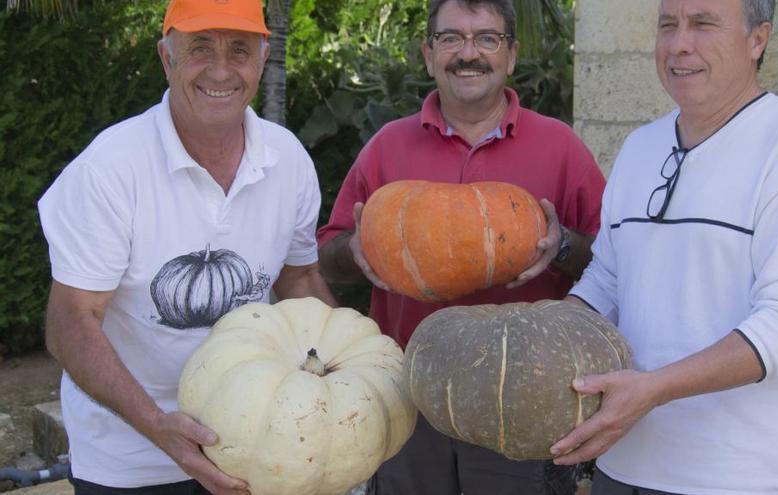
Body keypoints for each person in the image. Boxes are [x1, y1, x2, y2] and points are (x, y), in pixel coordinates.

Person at [550, 1, 778, 494]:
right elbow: (607, 279)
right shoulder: (639, 147)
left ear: (758, 39)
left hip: (741, 477)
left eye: (704, 24)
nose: (679, 44)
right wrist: (537, 338)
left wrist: (656, 389)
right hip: (623, 463)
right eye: (668, 25)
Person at [37, 0, 336, 493]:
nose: (221, 69)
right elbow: (71, 321)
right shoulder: (109, 169)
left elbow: (298, 277)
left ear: (263, 60)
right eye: (200, 48)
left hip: (260, 444)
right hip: (130, 456)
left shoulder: (288, 159)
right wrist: (157, 425)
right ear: (165, 57)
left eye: (240, 50)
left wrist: (353, 364)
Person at [317, 0, 606, 493]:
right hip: (408, 394)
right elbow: (329, 254)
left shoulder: (561, 148)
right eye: (451, 38)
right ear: (429, 54)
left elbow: (608, 261)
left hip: (524, 400)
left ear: (511, 55)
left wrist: (560, 247)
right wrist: (357, 252)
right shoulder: (387, 146)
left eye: (486, 39)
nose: (467, 53)